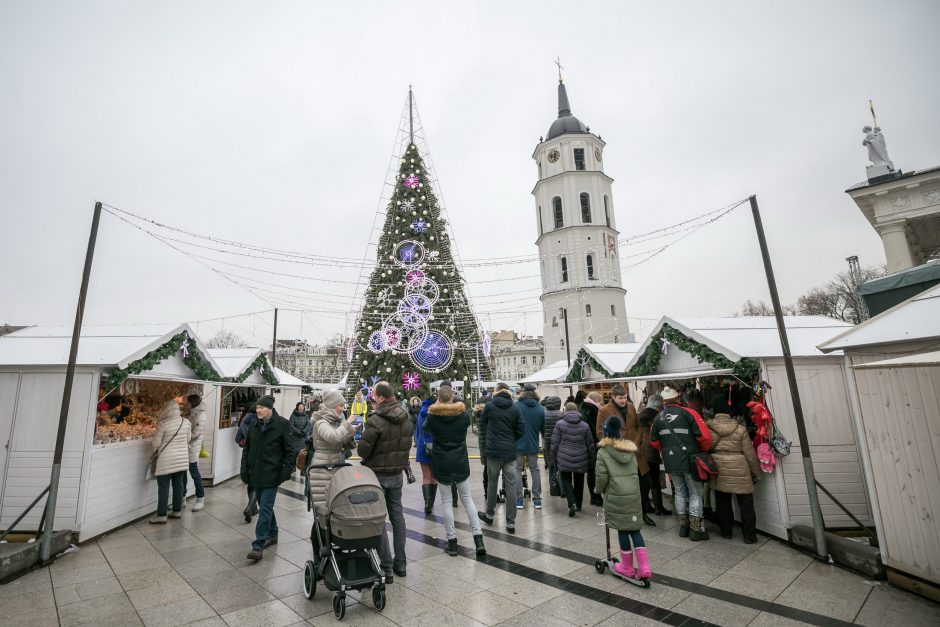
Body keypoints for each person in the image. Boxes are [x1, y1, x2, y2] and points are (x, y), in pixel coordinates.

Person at [358, 381, 414, 582]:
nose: (372, 399)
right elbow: (407, 445)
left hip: (376, 475)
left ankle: (386, 567)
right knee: (397, 517)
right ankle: (401, 563)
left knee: (379, 518)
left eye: (374, 396)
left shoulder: (375, 420)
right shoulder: (406, 417)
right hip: (396, 474)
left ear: (381, 398)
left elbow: (362, 450)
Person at [426, 383, 486, 557]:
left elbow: (425, 427)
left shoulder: (433, 417)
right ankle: (478, 538)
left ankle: (452, 542)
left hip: (442, 461)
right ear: (452, 397)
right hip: (460, 460)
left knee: (446, 502)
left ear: (439, 398)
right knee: (467, 500)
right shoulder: (463, 416)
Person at [649, 386, 712, 541]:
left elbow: (654, 441)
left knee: (680, 492)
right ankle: (696, 530)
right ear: (678, 399)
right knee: (695, 493)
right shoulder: (689, 413)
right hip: (690, 459)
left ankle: (684, 527)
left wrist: (667, 450)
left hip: (671, 461)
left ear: (663, 402)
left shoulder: (658, 418)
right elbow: (705, 438)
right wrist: (702, 451)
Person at [595, 415, 651, 580]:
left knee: (623, 530)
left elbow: (601, 477)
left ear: (606, 434)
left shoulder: (603, 452)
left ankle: (626, 567)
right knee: (635, 529)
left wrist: (598, 490)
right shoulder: (630, 450)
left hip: (616, 496)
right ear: (619, 433)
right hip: (633, 496)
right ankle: (644, 567)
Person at [241, 395, 295, 561]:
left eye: (261, 408)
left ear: (270, 409)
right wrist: (244, 469)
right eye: (257, 407)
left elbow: (290, 451)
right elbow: (247, 448)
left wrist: (284, 473)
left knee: (264, 508)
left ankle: (258, 545)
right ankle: (273, 533)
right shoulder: (254, 424)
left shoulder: (282, 425)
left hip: (272, 474)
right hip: (255, 474)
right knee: (265, 505)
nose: (258, 410)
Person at [704, 389, 760, 543]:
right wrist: (756, 473)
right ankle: (749, 536)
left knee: (723, 502)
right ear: (729, 412)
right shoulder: (740, 429)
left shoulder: (708, 429)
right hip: (740, 466)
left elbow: (705, 448)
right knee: (746, 504)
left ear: (715, 413)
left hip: (719, 466)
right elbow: (750, 454)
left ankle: (726, 532)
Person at [598, 386, 652, 525]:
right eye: (620, 398)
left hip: (636, 451)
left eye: (625, 397)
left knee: (644, 482)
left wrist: (638, 441)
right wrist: (616, 445)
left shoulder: (631, 407)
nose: (623, 400)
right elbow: (600, 433)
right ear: (613, 397)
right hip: (619, 453)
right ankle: (628, 514)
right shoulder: (604, 410)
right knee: (626, 486)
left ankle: (643, 512)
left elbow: (638, 425)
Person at [478, 382, 524, 534]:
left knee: (492, 483)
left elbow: (482, 424)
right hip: (509, 452)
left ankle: (490, 514)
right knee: (510, 486)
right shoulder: (515, 408)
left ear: (497, 391)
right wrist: (511, 439)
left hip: (493, 452)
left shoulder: (490, 406)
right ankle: (511, 522)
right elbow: (521, 430)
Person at [308, 390, 359, 509]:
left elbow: (339, 442)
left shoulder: (334, 422)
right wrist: (347, 423)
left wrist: (350, 435)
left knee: (333, 505)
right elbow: (333, 437)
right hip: (322, 467)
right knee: (322, 507)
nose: (343, 409)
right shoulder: (321, 422)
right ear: (332, 406)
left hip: (333, 464)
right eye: (340, 405)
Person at [149, 400, 192, 524]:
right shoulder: (186, 422)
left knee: (163, 487)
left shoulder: (163, 424)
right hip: (182, 458)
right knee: (178, 485)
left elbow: (155, 444)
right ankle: (177, 511)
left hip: (166, 459)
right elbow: (188, 439)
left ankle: (162, 515)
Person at [550, 402, 594, 516]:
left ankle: (572, 503)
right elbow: (590, 444)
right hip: (581, 456)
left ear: (565, 411)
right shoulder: (585, 425)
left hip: (564, 456)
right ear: (577, 411)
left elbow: (554, 443)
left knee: (566, 481)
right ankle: (578, 505)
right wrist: (592, 460)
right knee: (579, 481)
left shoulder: (559, 424)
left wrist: (552, 458)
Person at [638, 394, 671, 516]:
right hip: (652, 452)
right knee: (655, 480)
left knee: (644, 480)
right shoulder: (658, 416)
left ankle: (646, 505)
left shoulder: (640, 414)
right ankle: (659, 508)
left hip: (640, 452)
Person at [514, 383, 545, 510]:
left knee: (517, 469)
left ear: (523, 392)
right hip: (533, 444)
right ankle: (537, 500)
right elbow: (543, 428)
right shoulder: (540, 408)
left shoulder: (516, 406)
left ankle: (519, 499)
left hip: (518, 444)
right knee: (535, 470)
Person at [182, 394, 206, 512]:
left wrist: (182, 435)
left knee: (194, 472)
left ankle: (200, 499)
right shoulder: (190, 412)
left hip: (192, 447)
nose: (184, 404)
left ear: (191, 403)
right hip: (186, 446)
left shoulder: (199, 415)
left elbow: (195, 434)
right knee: (182, 472)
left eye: (186, 402)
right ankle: (182, 498)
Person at [414, 395, 437, 515]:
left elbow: (418, 431)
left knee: (426, 477)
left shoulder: (420, 413)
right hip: (435, 445)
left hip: (423, 445)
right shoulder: (436, 413)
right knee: (434, 477)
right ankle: (431, 503)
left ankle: (427, 504)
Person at [235, 403, 258, 522]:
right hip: (259, 455)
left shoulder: (245, 422)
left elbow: (237, 439)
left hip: (247, 455)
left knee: (250, 481)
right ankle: (250, 507)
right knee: (258, 482)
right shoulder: (261, 422)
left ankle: (253, 508)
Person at [580, 391, 603, 505]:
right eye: (600, 400)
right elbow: (595, 429)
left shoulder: (583, 408)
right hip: (594, 444)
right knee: (595, 471)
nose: (601, 403)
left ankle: (593, 497)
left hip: (586, 444)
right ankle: (597, 497)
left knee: (591, 471)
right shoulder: (593, 410)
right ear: (596, 400)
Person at [541, 395, 564, 499]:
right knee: (560, 463)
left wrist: (545, 435)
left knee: (551, 463)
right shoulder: (561, 414)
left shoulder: (543, 414)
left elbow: (542, 428)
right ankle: (562, 486)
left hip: (547, 441)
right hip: (560, 442)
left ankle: (553, 486)